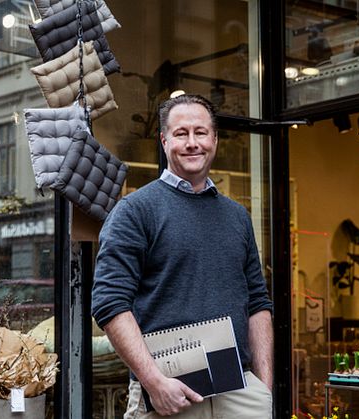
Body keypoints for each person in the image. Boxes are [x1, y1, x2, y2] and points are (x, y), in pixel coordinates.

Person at [91, 94, 274, 418]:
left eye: (201, 133)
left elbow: (258, 303)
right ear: (164, 140)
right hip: (169, 391)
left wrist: (264, 387)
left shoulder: (237, 216)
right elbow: (110, 302)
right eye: (181, 133)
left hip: (240, 392)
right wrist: (153, 382)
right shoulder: (134, 211)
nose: (192, 143)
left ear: (214, 139)